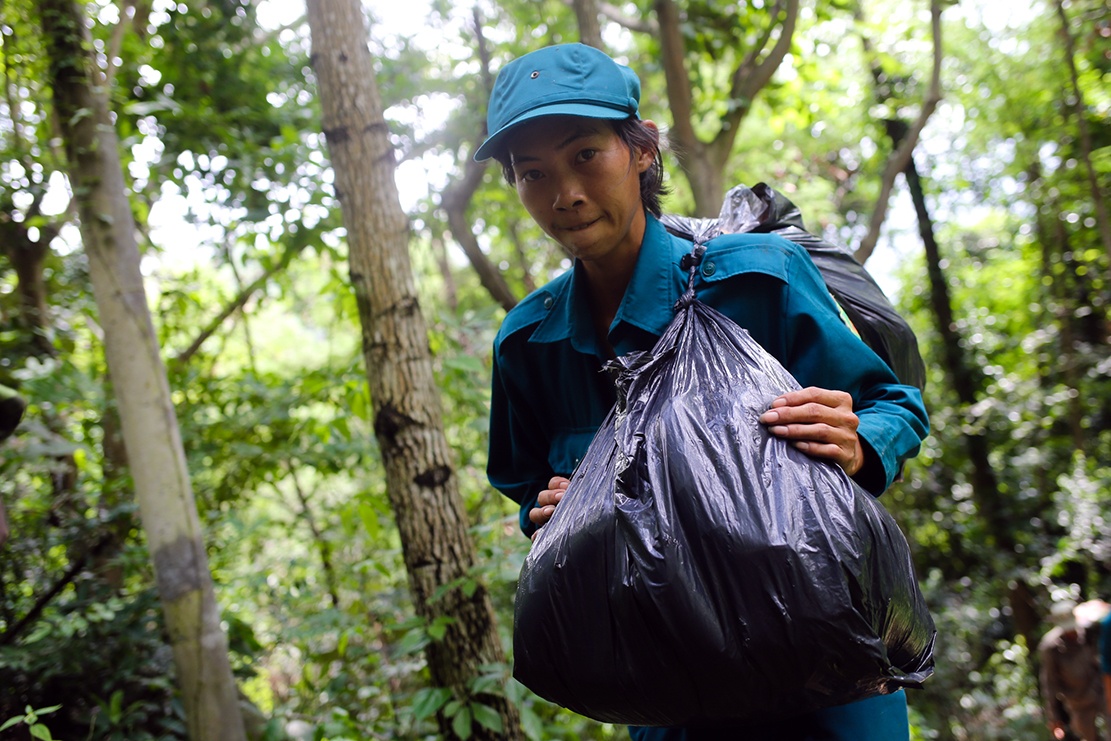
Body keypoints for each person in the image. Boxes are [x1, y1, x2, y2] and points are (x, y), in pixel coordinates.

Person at [477, 43, 929, 740]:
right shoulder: (529, 344)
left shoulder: (754, 279)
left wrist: (860, 439)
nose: (564, 193)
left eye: (584, 156)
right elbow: (527, 483)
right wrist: (555, 513)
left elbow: (892, 404)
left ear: (642, 152)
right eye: (532, 173)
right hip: (669, 692)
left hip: (828, 678)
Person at [1039, 600, 1110, 741]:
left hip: (1099, 692)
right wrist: (1054, 719)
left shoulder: (1088, 632)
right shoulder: (1051, 647)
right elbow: (1050, 684)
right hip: (1077, 702)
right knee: (1088, 735)